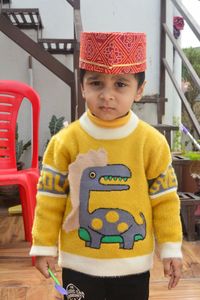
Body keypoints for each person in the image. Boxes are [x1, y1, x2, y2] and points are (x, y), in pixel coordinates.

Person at [30, 32, 183, 300]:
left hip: (134, 265)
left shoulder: (152, 143)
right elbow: (49, 199)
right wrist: (43, 245)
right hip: (79, 262)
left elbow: (165, 200)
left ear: (139, 89)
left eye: (120, 84)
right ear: (82, 86)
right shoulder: (64, 142)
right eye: (96, 83)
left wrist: (171, 248)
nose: (107, 95)